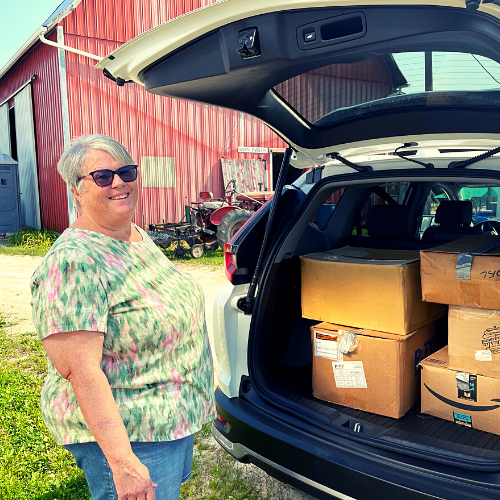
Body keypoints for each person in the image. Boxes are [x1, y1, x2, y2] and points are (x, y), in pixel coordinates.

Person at [30, 135, 216, 500]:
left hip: (167, 421)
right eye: (102, 176)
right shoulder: (74, 261)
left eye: (126, 171)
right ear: (76, 190)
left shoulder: (135, 237)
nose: (118, 183)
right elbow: (81, 370)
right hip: (130, 435)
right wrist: (123, 462)